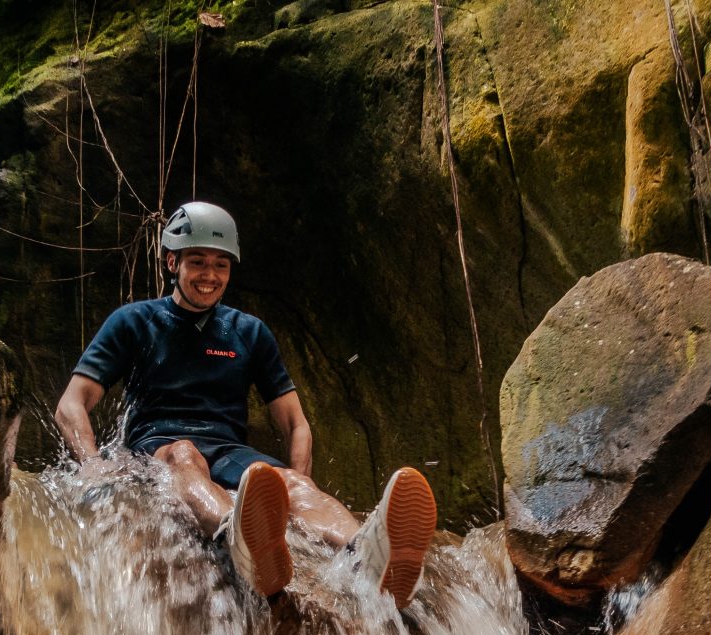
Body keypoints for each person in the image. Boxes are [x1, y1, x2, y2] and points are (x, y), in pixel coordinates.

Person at [55, 201, 436, 608]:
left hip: (228, 451)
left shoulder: (249, 332)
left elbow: (296, 424)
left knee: (290, 484)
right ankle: (236, 536)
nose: (210, 275)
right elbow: (71, 404)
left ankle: (369, 557)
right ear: (172, 262)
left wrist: (297, 475)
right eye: (197, 261)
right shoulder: (133, 321)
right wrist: (93, 466)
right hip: (158, 446)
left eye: (221, 264)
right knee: (183, 454)